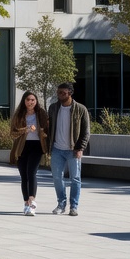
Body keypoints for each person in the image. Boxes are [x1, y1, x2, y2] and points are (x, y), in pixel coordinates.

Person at [45, 82, 90, 216]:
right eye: (58, 93)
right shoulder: (53, 108)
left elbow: (86, 131)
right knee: (57, 177)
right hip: (57, 149)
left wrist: (80, 148)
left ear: (70, 93)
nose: (60, 95)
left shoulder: (81, 109)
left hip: (73, 150)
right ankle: (61, 203)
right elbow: (49, 128)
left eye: (63, 93)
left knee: (75, 178)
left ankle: (74, 206)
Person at [9, 91, 49, 216]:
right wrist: (25, 130)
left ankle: (32, 201)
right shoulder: (19, 114)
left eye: (33, 100)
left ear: (36, 101)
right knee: (23, 175)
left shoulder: (41, 113)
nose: (30, 102)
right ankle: (26, 203)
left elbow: (48, 130)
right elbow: (13, 132)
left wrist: (41, 131)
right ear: (24, 101)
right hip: (22, 147)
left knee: (31, 172)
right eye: (28, 100)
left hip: (37, 146)